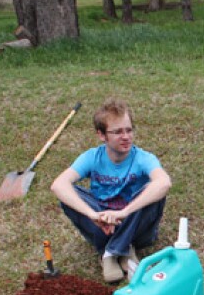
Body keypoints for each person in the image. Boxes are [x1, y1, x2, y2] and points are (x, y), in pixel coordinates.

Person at [51, 98, 171, 283]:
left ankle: (110, 252)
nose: (126, 137)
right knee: (68, 194)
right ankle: (124, 249)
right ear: (101, 135)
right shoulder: (92, 157)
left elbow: (164, 183)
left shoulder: (143, 158)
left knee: (153, 191)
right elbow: (58, 184)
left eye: (129, 130)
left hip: (136, 225)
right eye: (117, 132)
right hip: (103, 224)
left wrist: (124, 213)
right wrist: (92, 215)